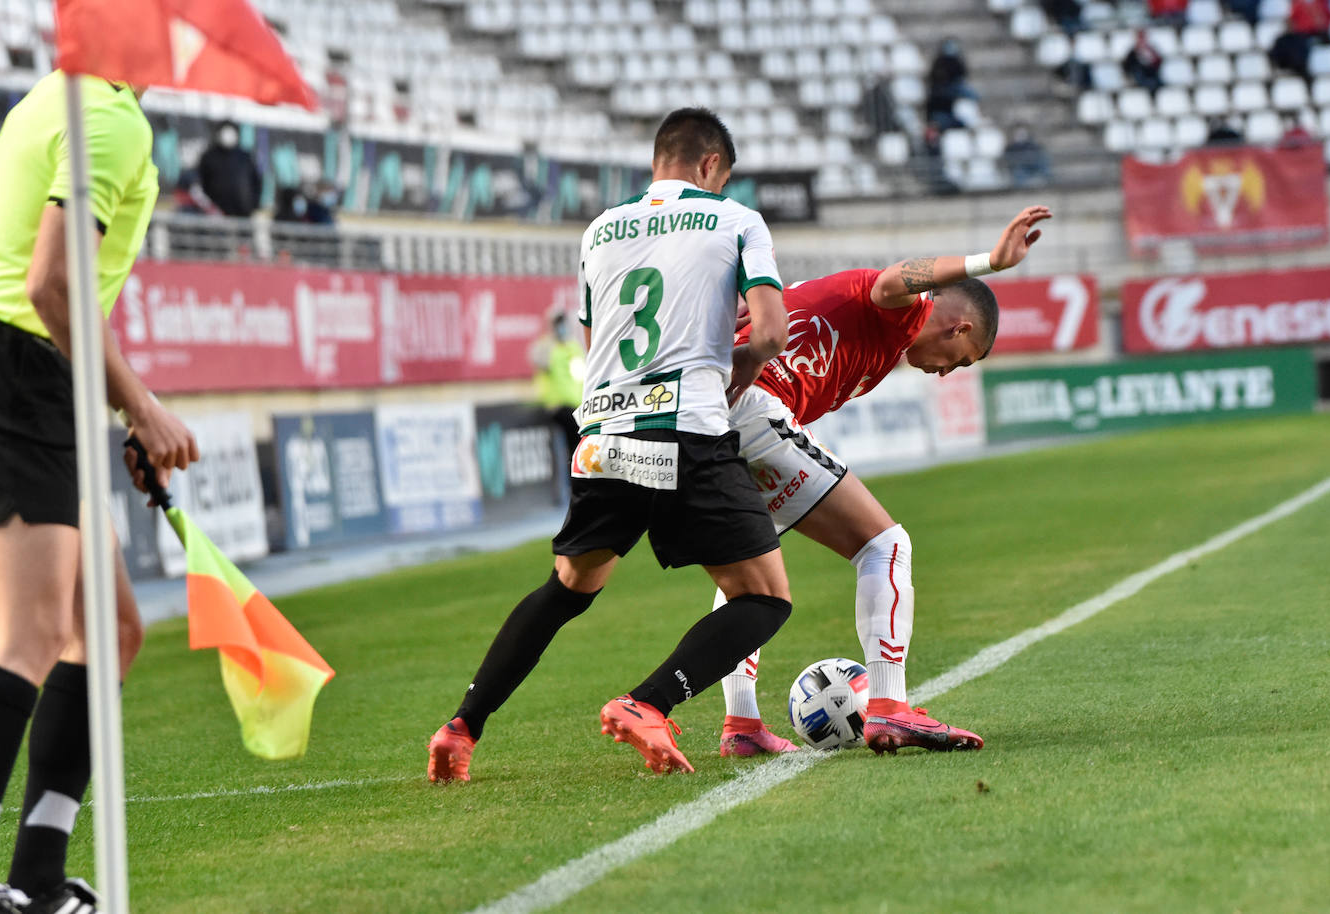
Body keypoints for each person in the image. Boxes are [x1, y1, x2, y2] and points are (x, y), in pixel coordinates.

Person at [426, 107, 793, 781]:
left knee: (568, 586)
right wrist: (739, 364)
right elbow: (770, 332)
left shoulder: (600, 229)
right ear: (711, 164)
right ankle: (648, 703)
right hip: (684, 430)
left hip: (601, 433)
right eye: (722, 177)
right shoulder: (737, 219)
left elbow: (595, 345)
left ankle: (461, 726)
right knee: (764, 597)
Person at [710, 206, 1052, 759]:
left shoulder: (885, 345)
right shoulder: (907, 309)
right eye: (960, 361)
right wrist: (988, 261)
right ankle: (890, 705)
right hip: (752, 407)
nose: (947, 372)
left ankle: (742, 722)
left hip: (715, 415)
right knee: (885, 545)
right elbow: (895, 280)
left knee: (749, 568)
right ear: (959, 327)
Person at [0, 70, 198, 914]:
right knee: (30, 633)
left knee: (107, 632)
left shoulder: (60, 96)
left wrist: (120, 408)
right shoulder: (106, 115)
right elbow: (50, 284)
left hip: (31, 374)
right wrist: (140, 408)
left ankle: (37, 880)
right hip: (14, 368)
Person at [531, 312, 586, 459]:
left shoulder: (573, 346)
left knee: (577, 444)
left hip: (576, 404)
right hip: (557, 405)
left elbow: (581, 374)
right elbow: (538, 361)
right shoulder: (546, 346)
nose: (561, 328)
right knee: (573, 441)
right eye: (557, 324)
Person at [197, 120, 261, 219]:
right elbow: (202, 182)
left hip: (242, 214)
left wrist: (253, 205)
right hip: (216, 214)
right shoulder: (209, 157)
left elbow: (256, 182)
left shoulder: (244, 157)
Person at [1123, 29, 1164, 94]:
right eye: (1140, 38)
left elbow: (1158, 63)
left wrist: (1151, 58)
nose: (1142, 40)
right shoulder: (1133, 53)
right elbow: (1127, 67)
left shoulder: (1151, 50)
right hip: (1140, 79)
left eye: (1143, 37)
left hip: (1152, 77)